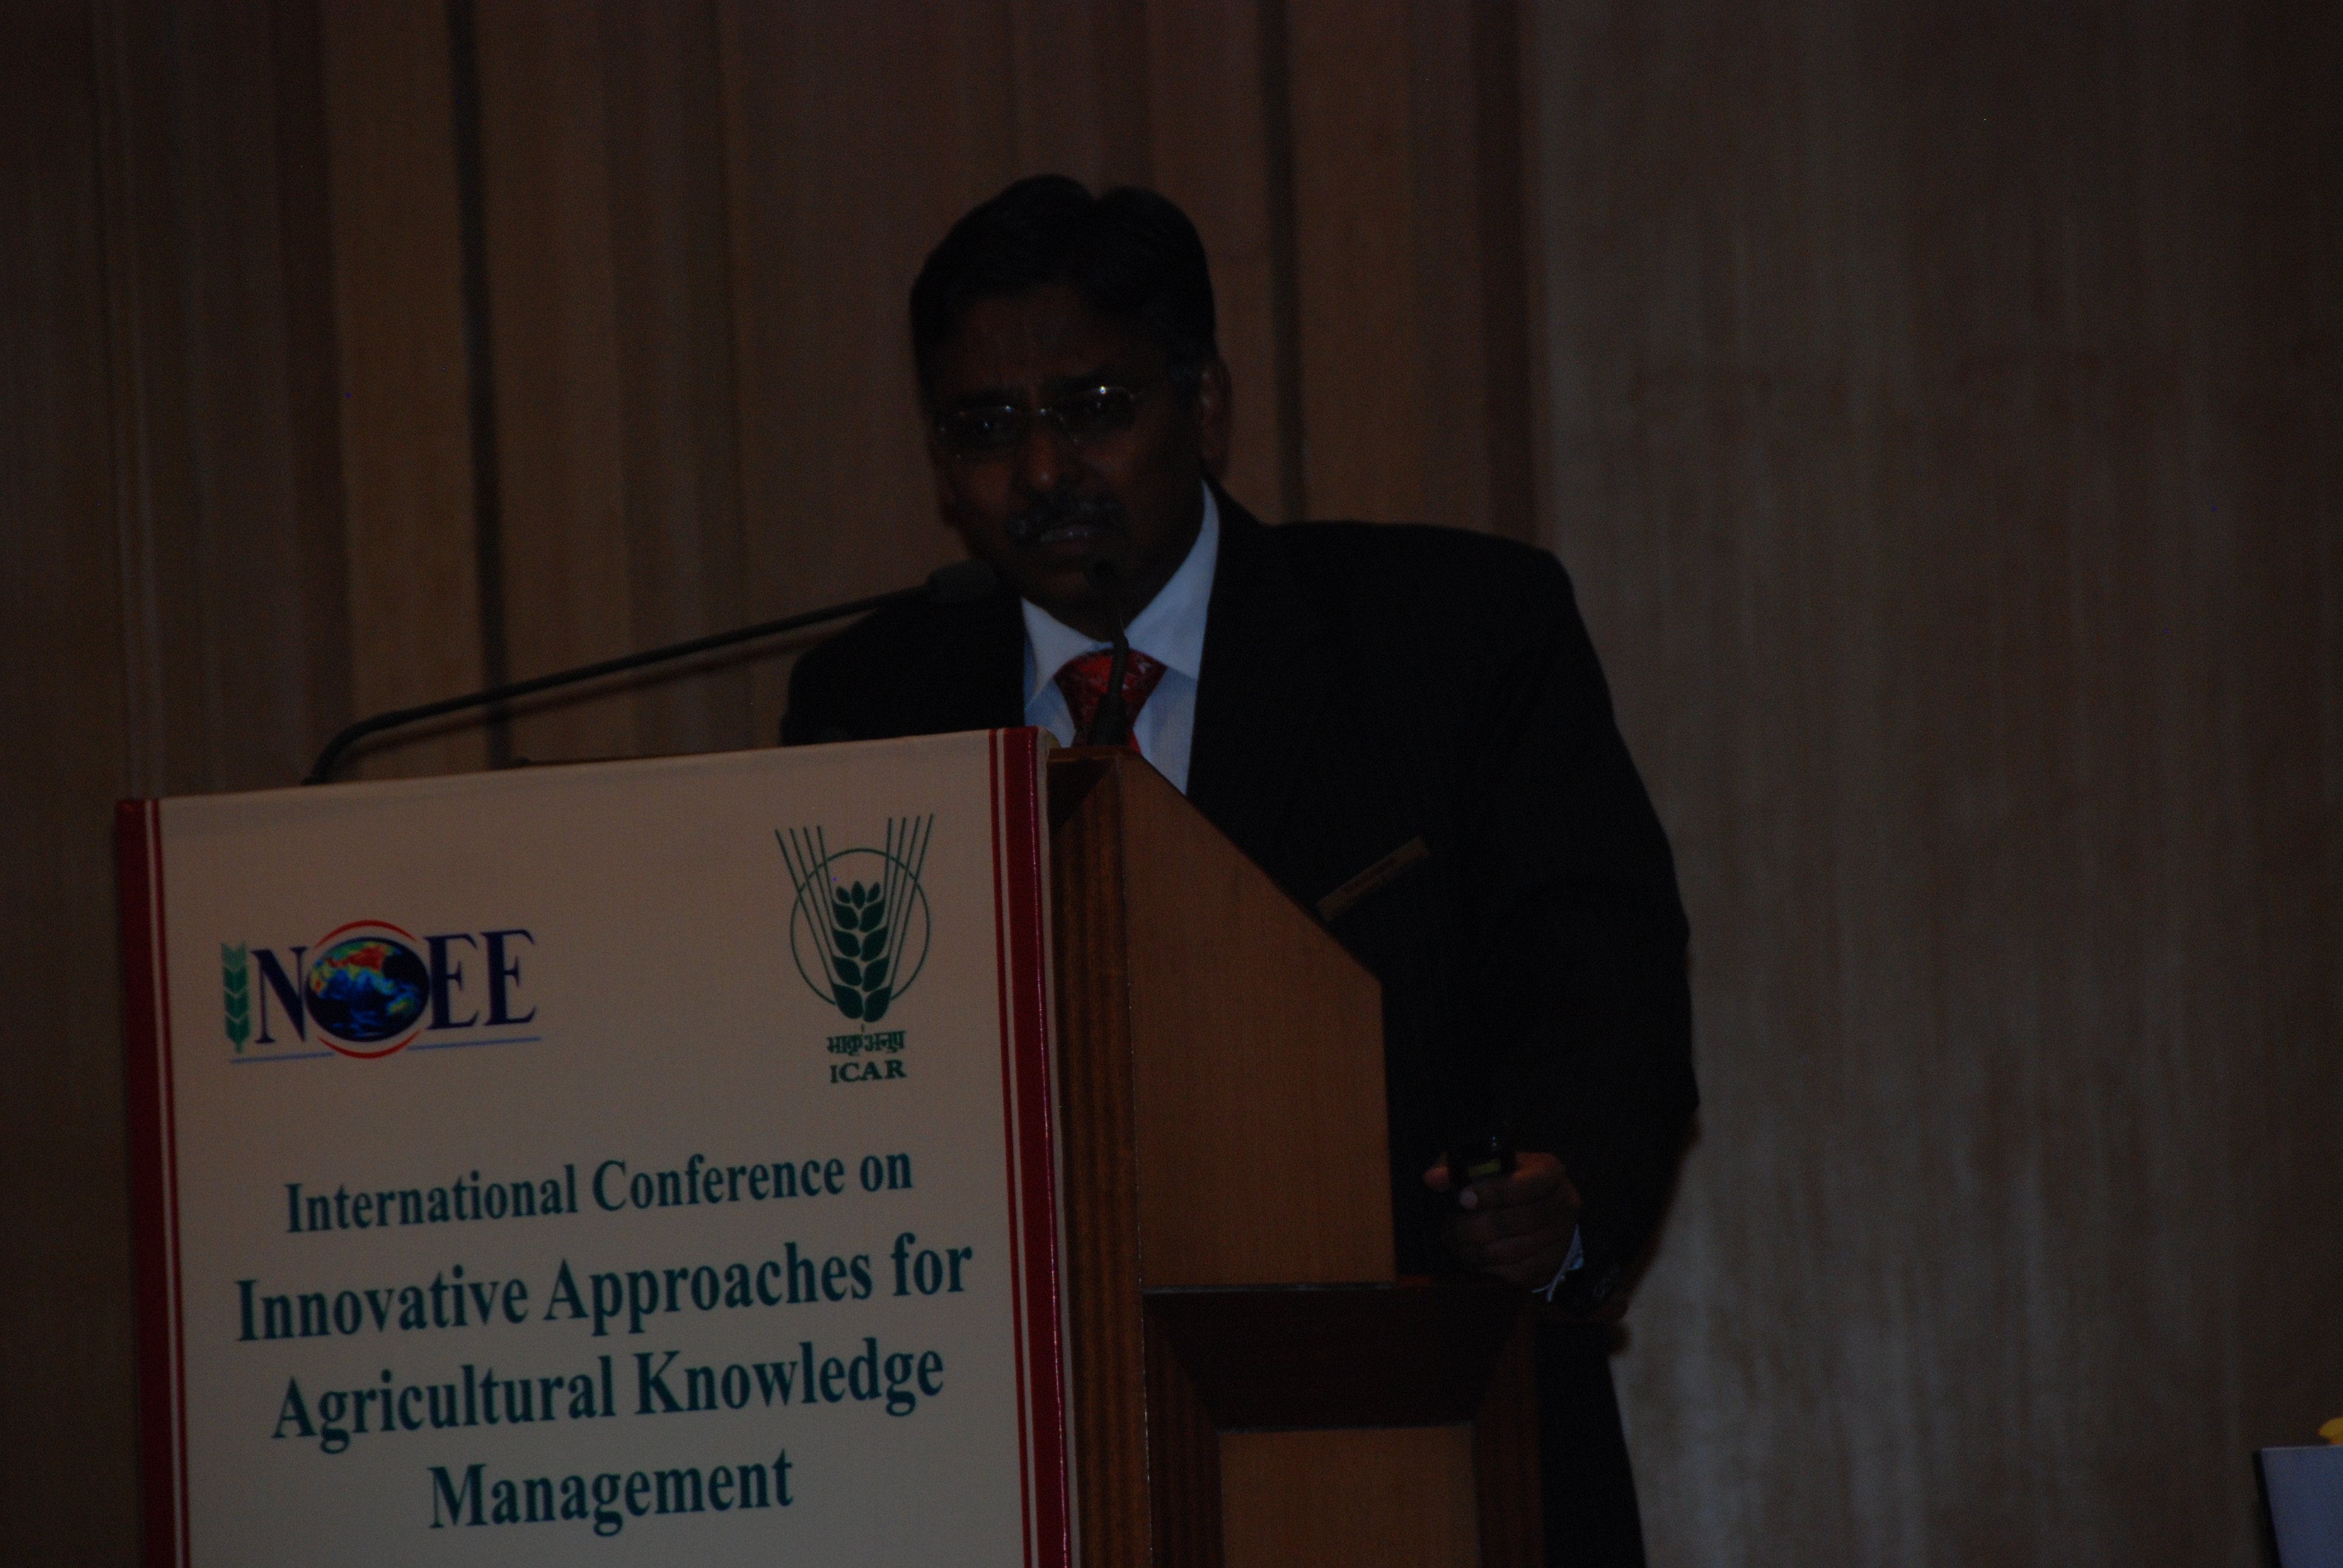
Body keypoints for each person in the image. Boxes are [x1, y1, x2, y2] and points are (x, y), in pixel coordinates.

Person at [784, 175, 1695, 1566]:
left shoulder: (1453, 639)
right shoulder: (865, 709)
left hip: (1419, 1439)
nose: (1042, 472)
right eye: (987, 428)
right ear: (939, 461)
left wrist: (1556, 1194)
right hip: (1014, 1472)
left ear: (1203, 404)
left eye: (1094, 407)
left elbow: (1598, 975)